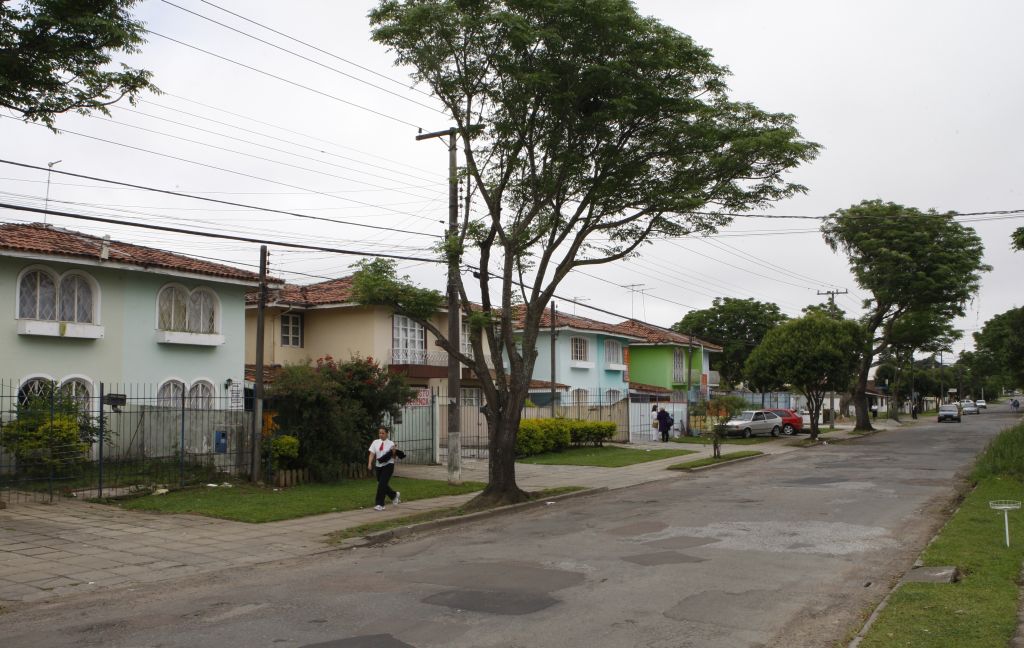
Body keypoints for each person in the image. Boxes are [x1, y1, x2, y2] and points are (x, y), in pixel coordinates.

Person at [367, 426, 401, 511]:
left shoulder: (391, 443)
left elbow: (394, 457)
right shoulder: (375, 442)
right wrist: (369, 463)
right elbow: (372, 454)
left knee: (382, 484)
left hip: (388, 466)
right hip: (378, 466)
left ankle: (380, 504)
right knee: (381, 484)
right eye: (379, 433)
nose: (381, 434)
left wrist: (394, 452)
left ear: (387, 434)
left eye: (383, 433)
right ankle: (394, 495)